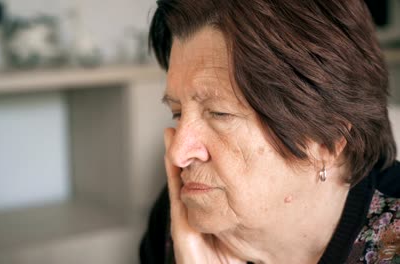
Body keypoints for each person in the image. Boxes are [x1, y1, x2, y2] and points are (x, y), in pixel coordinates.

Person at [140, 0, 400, 263]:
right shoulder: (178, 222)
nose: (177, 154)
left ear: (327, 141)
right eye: (178, 112)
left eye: (220, 113)